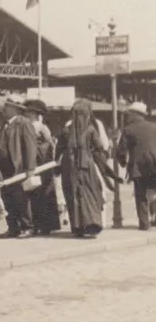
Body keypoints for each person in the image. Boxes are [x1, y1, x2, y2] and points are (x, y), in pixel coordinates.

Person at [56, 98, 111, 238]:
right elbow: (100, 147)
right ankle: (92, 224)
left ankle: (77, 227)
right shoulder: (91, 129)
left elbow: (58, 150)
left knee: (72, 194)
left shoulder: (66, 129)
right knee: (89, 193)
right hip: (86, 166)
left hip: (69, 167)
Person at [0, 94, 37, 238]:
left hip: (18, 168)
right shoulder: (5, 124)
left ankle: (27, 226)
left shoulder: (23, 123)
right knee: (7, 198)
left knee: (21, 199)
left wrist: (30, 167)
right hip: (5, 168)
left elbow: (31, 146)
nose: (4, 108)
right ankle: (12, 227)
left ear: (15, 108)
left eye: (7, 106)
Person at [117, 101, 156, 231]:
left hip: (139, 168)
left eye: (129, 113)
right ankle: (154, 219)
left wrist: (122, 163)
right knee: (153, 192)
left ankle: (145, 224)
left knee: (141, 195)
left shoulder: (128, 129)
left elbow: (121, 151)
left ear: (135, 114)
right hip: (154, 165)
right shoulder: (154, 126)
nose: (127, 116)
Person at [24, 98, 60, 235]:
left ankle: (44, 225)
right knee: (36, 194)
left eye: (30, 112)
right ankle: (40, 224)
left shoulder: (40, 127)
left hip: (42, 164)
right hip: (39, 163)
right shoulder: (32, 126)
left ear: (36, 114)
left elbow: (50, 144)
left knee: (42, 194)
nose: (27, 115)